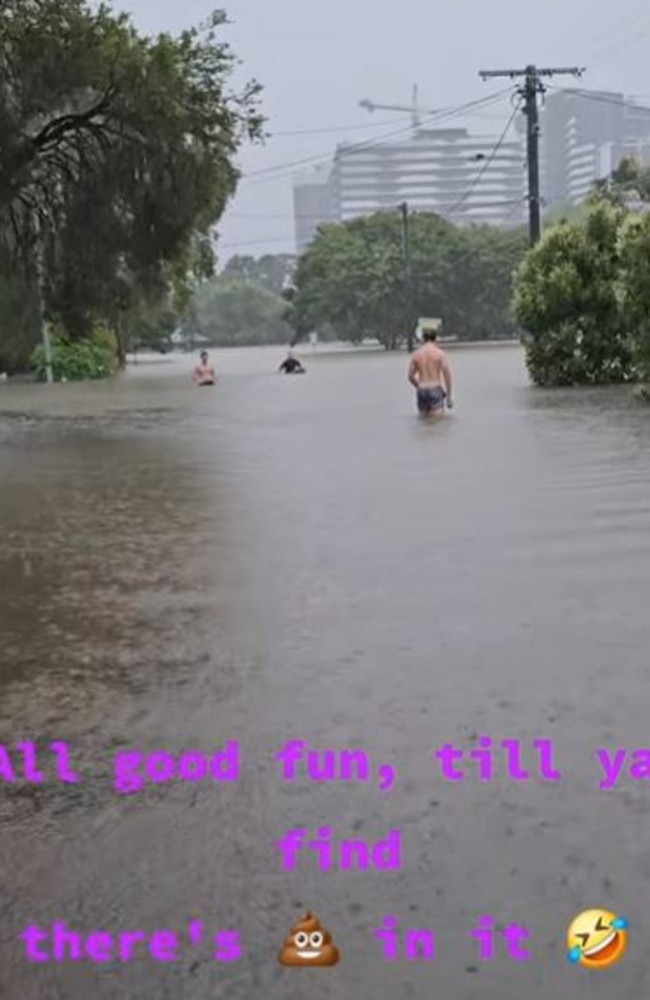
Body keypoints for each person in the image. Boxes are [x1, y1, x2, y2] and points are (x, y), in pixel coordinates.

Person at [407, 330, 453, 417]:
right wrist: (449, 396)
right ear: (435, 338)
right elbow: (447, 375)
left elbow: (410, 377)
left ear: (423, 339)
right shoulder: (440, 354)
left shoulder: (416, 354)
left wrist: (419, 386)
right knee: (437, 425)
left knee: (424, 421)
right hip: (435, 388)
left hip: (422, 390)